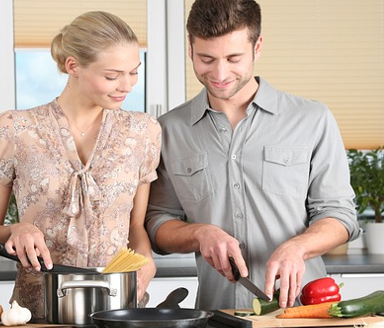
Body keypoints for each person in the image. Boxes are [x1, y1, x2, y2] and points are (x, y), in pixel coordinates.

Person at [145, 0, 360, 311]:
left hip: (304, 316)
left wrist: (298, 247)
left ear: (257, 47)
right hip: (216, 319)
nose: (220, 73)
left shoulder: (312, 119)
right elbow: (157, 224)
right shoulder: (170, 129)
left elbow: (340, 217)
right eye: (206, 59)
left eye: (234, 58)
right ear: (190, 49)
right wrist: (200, 233)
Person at [0, 11, 161, 320]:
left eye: (134, 72)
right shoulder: (16, 129)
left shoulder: (143, 131)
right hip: (37, 314)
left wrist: (146, 259)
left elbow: (135, 227)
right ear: (72, 66)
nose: (127, 85)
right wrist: (16, 229)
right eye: (112, 75)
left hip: (120, 311)